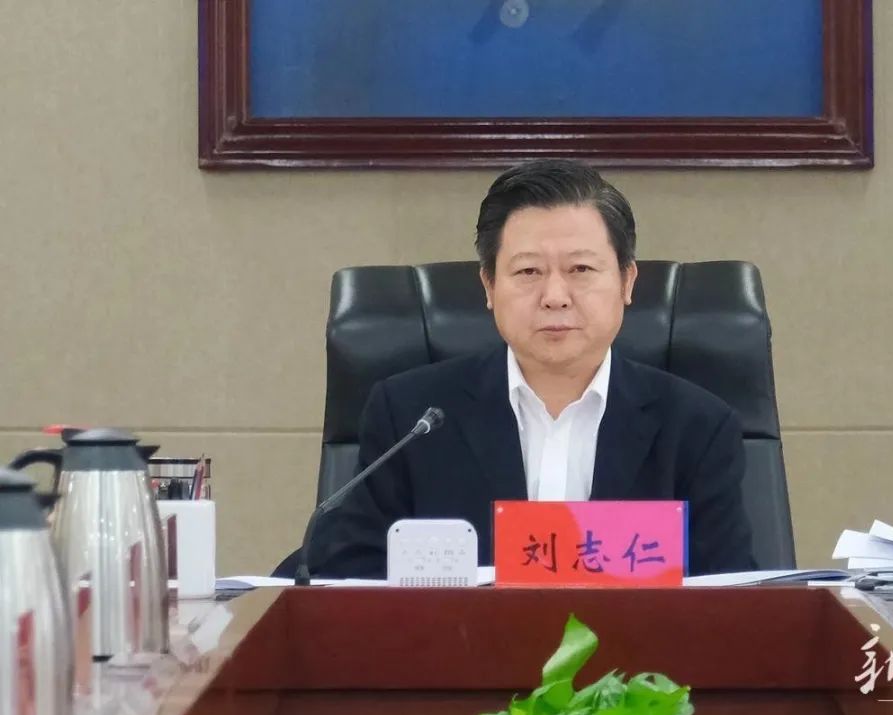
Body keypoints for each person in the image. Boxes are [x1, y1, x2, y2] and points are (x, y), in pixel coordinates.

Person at [307, 159, 755, 578]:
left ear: (627, 281)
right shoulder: (411, 418)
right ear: (489, 286)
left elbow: (733, 599)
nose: (555, 296)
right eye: (528, 272)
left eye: (581, 268)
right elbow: (349, 577)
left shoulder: (696, 427)